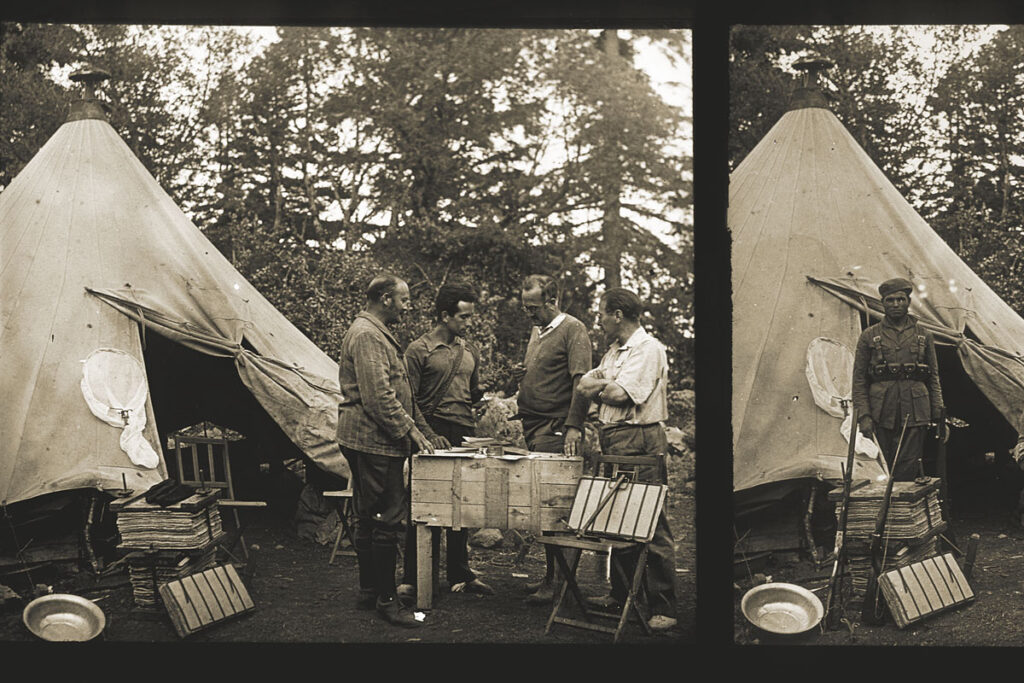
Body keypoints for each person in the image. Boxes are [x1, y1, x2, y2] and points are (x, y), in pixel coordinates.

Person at [575, 287, 678, 631]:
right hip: (613, 438)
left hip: (641, 438)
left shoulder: (648, 349)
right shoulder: (614, 351)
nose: (599, 320)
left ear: (617, 314)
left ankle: (664, 605)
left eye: (602, 313)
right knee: (617, 516)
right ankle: (621, 594)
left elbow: (620, 394)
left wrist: (604, 383)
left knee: (650, 519)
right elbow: (583, 387)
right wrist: (606, 381)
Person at [336, 273, 436, 628]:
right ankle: (387, 599)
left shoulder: (374, 333)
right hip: (375, 442)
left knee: (369, 516)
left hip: (370, 439)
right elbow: (379, 398)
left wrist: (420, 430)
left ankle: (368, 590)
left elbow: (394, 391)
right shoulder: (367, 336)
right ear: (385, 299)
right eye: (404, 299)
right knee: (388, 519)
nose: (408, 307)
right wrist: (409, 431)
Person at [397, 282, 494, 599]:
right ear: (444, 315)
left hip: (464, 433)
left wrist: (482, 401)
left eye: (470, 317)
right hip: (429, 431)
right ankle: (413, 577)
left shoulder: (470, 351)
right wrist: (426, 434)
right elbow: (408, 399)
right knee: (423, 506)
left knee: (462, 506)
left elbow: (472, 392)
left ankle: (460, 574)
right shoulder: (418, 350)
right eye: (463, 317)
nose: (468, 323)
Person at [510, 274, 593, 605]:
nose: (528, 314)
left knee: (555, 509)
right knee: (543, 509)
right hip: (534, 427)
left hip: (557, 429)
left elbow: (582, 383)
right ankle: (550, 577)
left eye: (533, 307)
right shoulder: (537, 331)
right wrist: (524, 376)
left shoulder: (574, 330)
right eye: (524, 307)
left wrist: (574, 425)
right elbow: (544, 372)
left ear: (552, 301)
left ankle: (558, 583)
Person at [852, 277, 945, 481]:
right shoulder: (869, 335)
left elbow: (934, 376)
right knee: (881, 465)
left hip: (915, 408)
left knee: (908, 465)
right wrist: (864, 416)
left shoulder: (924, 335)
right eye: (890, 300)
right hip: (880, 410)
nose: (896, 304)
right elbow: (859, 380)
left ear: (908, 302)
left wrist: (938, 413)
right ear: (883, 303)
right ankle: (884, 510)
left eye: (901, 300)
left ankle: (901, 510)